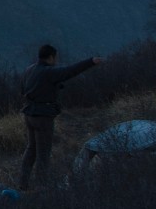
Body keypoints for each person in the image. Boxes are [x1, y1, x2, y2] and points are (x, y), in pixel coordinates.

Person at [18, 43, 103, 190]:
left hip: (29, 114)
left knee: (31, 149)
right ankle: (42, 186)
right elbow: (70, 71)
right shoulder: (48, 72)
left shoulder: (29, 70)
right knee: (43, 153)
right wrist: (91, 61)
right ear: (51, 57)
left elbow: (23, 89)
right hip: (43, 116)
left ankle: (23, 183)